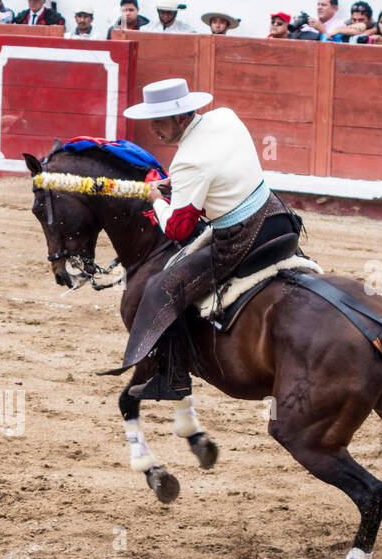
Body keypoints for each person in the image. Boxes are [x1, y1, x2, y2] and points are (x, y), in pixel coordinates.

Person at [119, 78, 303, 403]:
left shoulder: (188, 160)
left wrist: (156, 200)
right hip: (278, 218)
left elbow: (177, 229)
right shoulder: (225, 117)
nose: (154, 130)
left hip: (241, 239)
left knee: (162, 288)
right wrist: (175, 183)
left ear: (180, 117)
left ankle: (172, 379)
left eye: (159, 122)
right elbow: (218, 168)